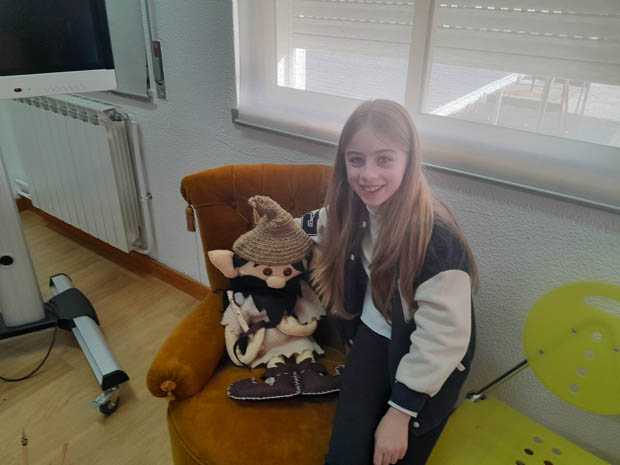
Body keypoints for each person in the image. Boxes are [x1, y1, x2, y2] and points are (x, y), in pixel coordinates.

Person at [298, 100, 478, 465]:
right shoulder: (350, 210)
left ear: (409, 161)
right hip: (375, 335)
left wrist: (400, 413)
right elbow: (309, 224)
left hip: (429, 351)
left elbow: (442, 339)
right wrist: (270, 238)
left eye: (384, 159)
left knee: (394, 453)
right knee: (346, 453)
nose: (368, 175)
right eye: (356, 160)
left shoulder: (436, 242)